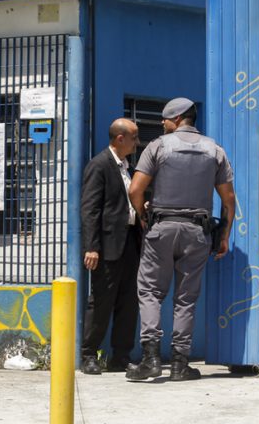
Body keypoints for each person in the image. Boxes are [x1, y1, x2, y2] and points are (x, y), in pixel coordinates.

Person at [126, 97, 235, 382]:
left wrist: (142, 215)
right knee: (186, 300)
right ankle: (179, 364)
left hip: (161, 227)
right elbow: (229, 200)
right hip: (197, 232)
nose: (162, 124)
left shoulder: (158, 146)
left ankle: (150, 359)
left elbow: (135, 189)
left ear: (177, 119)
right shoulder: (215, 150)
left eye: (164, 119)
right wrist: (224, 235)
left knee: (150, 292)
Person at [79, 118, 141, 375]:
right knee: (102, 300)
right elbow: (90, 209)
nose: (137, 142)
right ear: (120, 139)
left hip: (129, 242)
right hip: (106, 245)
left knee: (129, 301)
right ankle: (89, 355)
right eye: (134, 138)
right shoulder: (100, 165)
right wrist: (92, 246)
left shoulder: (128, 167)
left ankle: (121, 355)